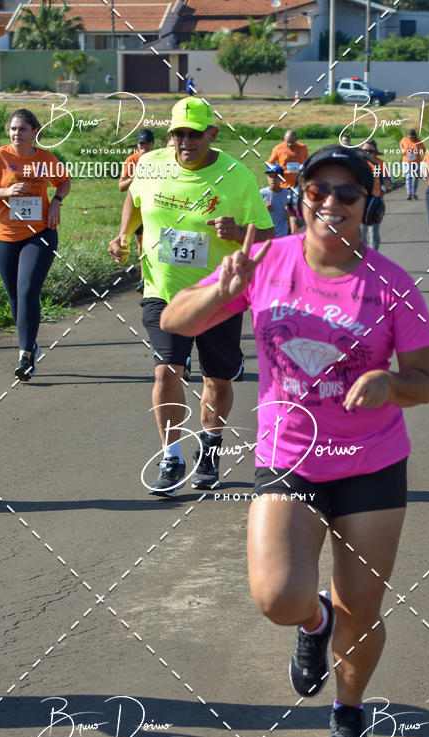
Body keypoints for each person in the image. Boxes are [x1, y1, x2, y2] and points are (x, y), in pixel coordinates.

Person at [161, 145, 429, 737]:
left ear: (369, 206)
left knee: (361, 607)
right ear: (299, 197)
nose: (332, 202)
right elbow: (177, 320)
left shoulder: (392, 284)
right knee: (276, 596)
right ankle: (314, 623)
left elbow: (424, 380)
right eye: (319, 190)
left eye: (348, 193)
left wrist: (391, 384)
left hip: (373, 464)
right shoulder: (264, 262)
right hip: (290, 456)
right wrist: (222, 291)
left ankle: (349, 710)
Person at [108, 97, 274, 496]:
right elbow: (133, 197)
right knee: (167, 370)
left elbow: (269, 236)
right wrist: (123, 234)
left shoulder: (237, 177)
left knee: (216, 379)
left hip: (219, 295)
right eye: (178, 134)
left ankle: (211, 447)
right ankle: (171, 455)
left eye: (194, 134)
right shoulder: (151, 165)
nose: (185, 141)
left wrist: (237, 233)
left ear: (212, 134)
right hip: (162, 292)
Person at [0, 108, 70, 380]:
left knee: (27, 292)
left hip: (39, 233)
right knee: (15, 295)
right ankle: (31, 343)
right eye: (13, 129)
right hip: (3, 236)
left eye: (23, 129)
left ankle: (25, 355)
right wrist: (4, 191)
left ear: (35, 132)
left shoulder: (46, 158)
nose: (17, 133)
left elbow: (63, 182)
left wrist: (56, 203)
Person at [118, 128, 155, 292]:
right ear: (137, 145)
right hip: (137, 207)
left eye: (147, 143)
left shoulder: (159, 159)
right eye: (141, 143)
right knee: (142, 243)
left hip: (155, 206)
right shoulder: (131, 160)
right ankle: (143, 278)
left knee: (152, 241)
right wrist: (137, 176)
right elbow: (121, 186)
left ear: (153, 144)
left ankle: (149, 278)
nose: (144, 147)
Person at [359, 139, 387, 250]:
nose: (368, 153)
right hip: (360, 202)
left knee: (374, 232)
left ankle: (375, 256)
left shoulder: (380, 164)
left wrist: (382, 181)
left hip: (375, 202)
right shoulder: (357, 163)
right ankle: (363, 258)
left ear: (375, 152)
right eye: (365, 150)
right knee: (362, 231)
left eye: (370, 151)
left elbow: (389, 183)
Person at [261, 164, 291, 238]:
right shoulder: (262, 193)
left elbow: (291, 214)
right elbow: (255, 212)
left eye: (276, 177)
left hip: (282, 231)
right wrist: (264, 208)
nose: (273, 179)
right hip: (267, 231)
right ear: (267, 178)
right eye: (270, 176)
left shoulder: (287, 194)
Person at [399, 129, 425, 200]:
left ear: (414, 136)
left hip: (416, 162)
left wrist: (419, 149)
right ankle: (409, 194)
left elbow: (424, 150)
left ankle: (414, 193)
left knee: (415, 178)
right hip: (406, 162)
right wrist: (402, 149)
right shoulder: (404, 139)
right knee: (408, 177)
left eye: (412, 137)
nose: (410, 138)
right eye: (409, 137)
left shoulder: (418, 141)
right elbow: (401, 143)